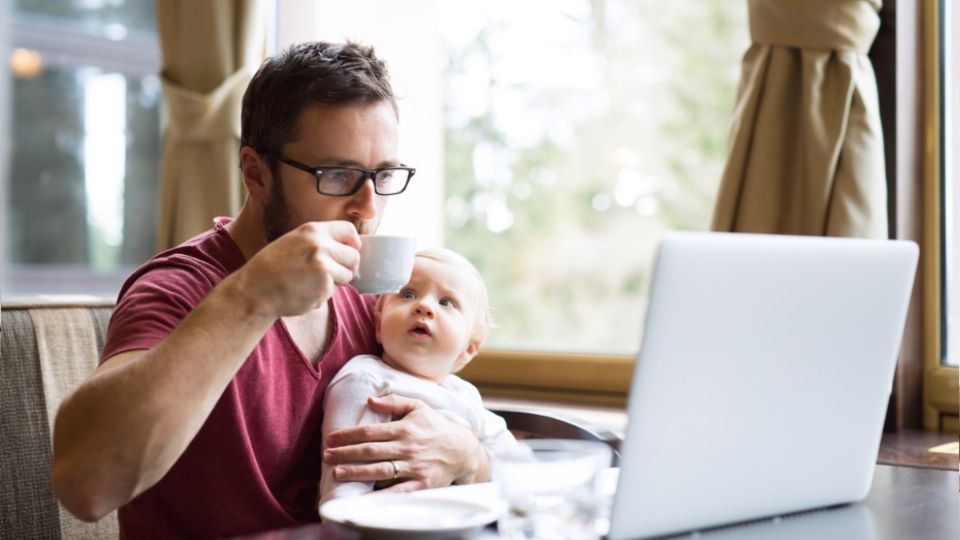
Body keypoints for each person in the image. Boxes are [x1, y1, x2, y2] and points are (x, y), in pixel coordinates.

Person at [51, 41, 490, 539]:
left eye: (383, 175)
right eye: (339, 175)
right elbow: (85, 487)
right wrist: (253, 296)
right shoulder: (179, 287)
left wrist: (465, 455)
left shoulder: (373, 299)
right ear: (257, 173)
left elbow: (465, 445)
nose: (368, 208)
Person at [319, 248, 519, 506]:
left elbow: (515, 467)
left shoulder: (465, 395)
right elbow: (343, 486)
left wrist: (478, 464)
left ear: (468, 349)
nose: (423, 306)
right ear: (379, 325)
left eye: (446, 302)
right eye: (408, 294)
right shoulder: (364, 379)